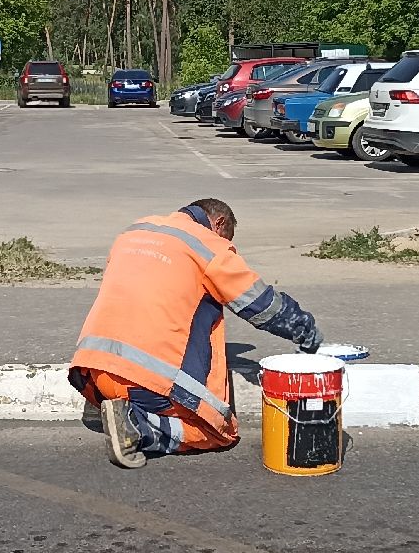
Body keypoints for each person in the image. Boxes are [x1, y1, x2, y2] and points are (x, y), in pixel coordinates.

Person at [69, 198, 321, 469]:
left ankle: (109, 406)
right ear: (219, 223)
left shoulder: (134, 231)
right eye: (227, 236)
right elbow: (261, 304)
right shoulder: (207, 244)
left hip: (93, 372)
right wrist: (305, 331)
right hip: (146, 381)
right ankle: (138, 426)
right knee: (219, 431)